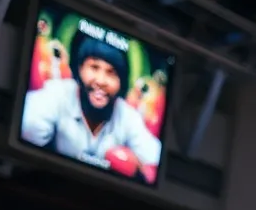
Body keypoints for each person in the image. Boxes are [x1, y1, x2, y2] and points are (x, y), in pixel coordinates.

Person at [20, 29, 162, 183]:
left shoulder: (127, 115)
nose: (101, 80)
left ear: (121, 83)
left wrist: (136, 169)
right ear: (80, 69)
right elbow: (27, 128)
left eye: (111, 73)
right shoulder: (57, 92)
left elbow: (156, 163)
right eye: (94, 67)